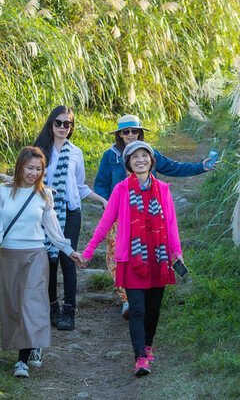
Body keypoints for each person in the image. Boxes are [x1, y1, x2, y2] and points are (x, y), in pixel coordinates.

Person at [80, 141, 185, 376]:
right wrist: (88, 251)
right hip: (132, 259)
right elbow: (105, 224)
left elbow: (171, 225)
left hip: (158, 258)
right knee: (137, 309)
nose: (140, 160)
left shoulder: (163, 190)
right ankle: (140, 357)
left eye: (144, 155)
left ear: (151, 161)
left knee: (153, 309)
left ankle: (148, 345)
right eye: (135, 156)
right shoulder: (121, 190)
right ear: (128, 163)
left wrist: (176, 253)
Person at [94, 114, 212, 320]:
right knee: (116, 257)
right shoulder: (110, 156)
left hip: (148, 217)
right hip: (119, 218)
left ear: (140, 132)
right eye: (125, 131)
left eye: (134, 131)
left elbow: (173, 167)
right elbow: (101, 184)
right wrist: (106, 203)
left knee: (147, 255)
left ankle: (144, 295)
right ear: (119, 135)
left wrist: (200, 166)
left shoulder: (149, 154)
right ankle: (127, 299)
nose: (131, 135)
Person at [0, 146, 82, 378]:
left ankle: (22, 361)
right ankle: (33, 344)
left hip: (36, 255)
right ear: (19, 167)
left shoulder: (44, 194)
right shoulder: (3, 191)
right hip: (9, 254)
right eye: (30, 168)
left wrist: (69, 250)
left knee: (31, 302)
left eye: (39, 169)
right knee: (14, 305)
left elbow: (53, 229)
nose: (34, 173)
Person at [33, 105, 107, 331]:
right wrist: (6, 179)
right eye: (59, 123)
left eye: (68, 124)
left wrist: (102, 200)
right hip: (44, 211)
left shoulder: (75, 152)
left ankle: (69, 311)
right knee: (49, 260)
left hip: (71, 212)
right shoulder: (38, 150)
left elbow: (80, 185)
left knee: (68, 260)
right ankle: (52, 307)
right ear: (51, 124)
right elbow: (29, 178)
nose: (63, 127)